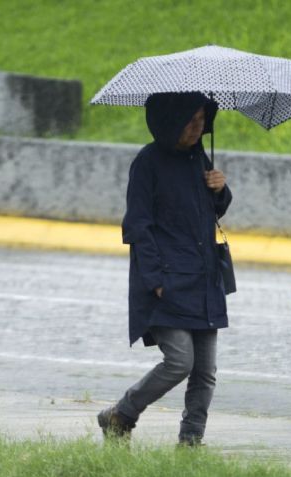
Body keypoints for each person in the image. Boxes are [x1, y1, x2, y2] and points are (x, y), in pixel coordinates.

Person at [97, 92, 232, 446]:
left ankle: (190, 443)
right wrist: (154, 279)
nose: (197, 127)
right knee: (179, 361)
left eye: (202, 120)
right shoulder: (148, 163)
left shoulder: (197, 157)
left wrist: (220, 189)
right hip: (167, 281)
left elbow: (208, 211)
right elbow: (138, 225)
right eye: (190, 121)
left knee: (205, 372)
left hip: (203, 278)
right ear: (170, 120)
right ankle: (120, 414)